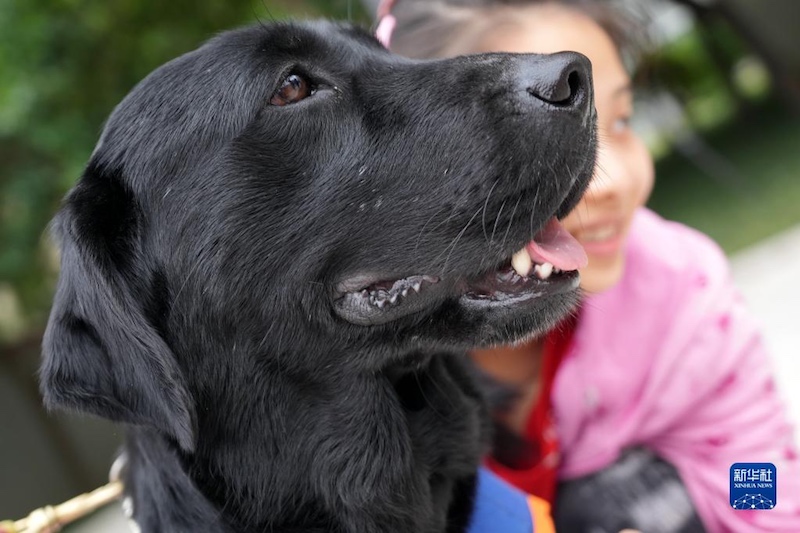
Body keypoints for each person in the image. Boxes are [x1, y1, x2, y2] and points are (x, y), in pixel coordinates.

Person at [377, 1, 800, 531]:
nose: (618, 182)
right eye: (538, 136)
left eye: (620, 119)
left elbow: (754, 465)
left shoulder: (678, 290)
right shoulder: (363, 356)